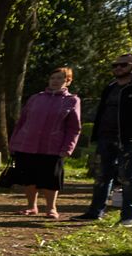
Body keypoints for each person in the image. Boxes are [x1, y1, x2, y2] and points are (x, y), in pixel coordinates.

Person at [73, 54, 132, 227]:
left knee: (128, 176)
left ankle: (128, 216)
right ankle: (95, 212)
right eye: (114, 65)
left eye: (123, 65)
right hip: (106, 136)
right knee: (102, 175)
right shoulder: (111, 86)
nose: (118, 68)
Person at [8, 67, 81, 219]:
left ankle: (51, 208)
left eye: (60, 78)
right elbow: (22, 121)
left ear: (68, 81)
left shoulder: (72, 100)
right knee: (28, 177)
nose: (55, 81)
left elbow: (74, 128)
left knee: (50, 179)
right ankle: (31, 206)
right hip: (27, 144)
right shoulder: (36, 98)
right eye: (53, 78)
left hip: (52, 147)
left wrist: (68, 148)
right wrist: (14, 142)